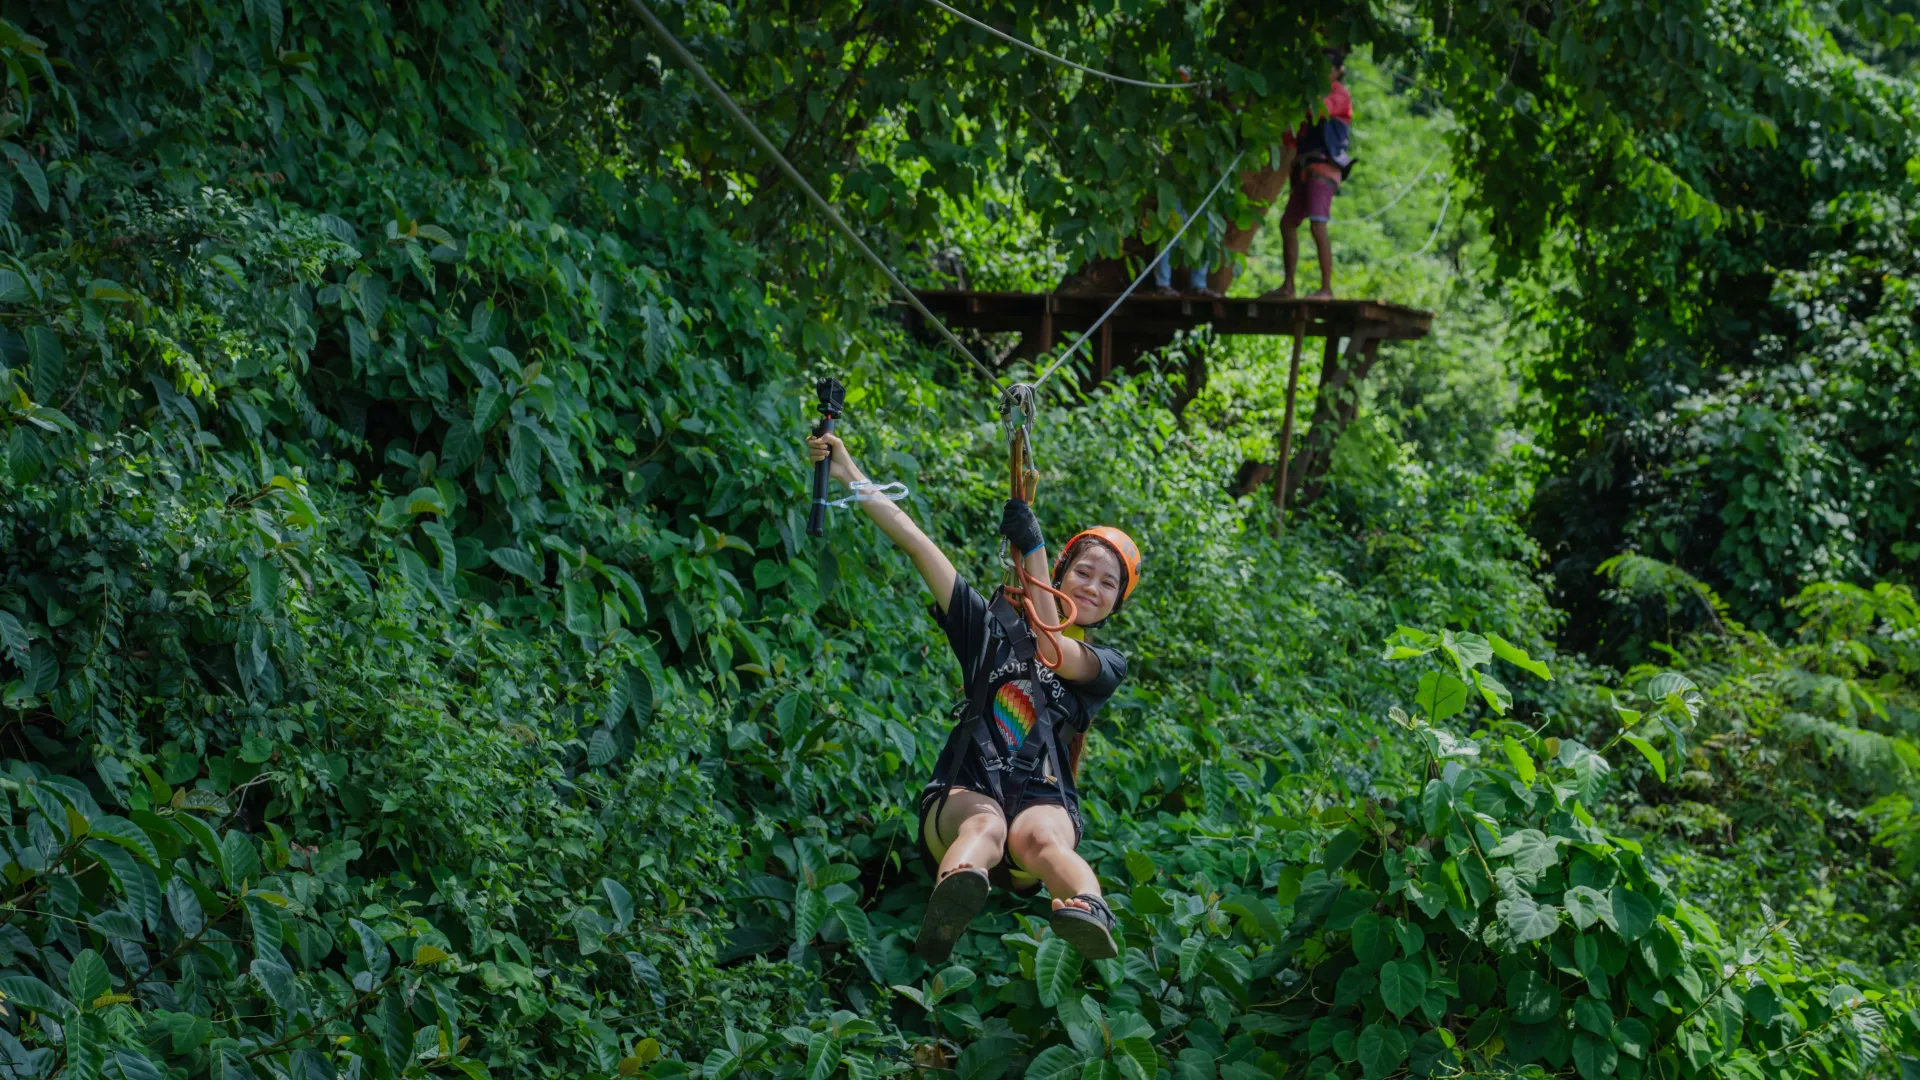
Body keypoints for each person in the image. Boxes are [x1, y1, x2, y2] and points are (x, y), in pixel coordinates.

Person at [804, 429, 1141, 962]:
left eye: (1107, 584)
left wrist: (1033, 549)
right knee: (986, 824)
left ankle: (1088, 907)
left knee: (1043, 839)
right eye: (1083, 572)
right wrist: (849, 473)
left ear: (1115, 605)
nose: (1091, 587)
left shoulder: (1104, 666)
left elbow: (1054, 651)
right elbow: (919, 544)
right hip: (968, 792)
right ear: (1061, 574)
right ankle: (957, 888)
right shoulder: (990, 629)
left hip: (1042, 798)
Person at [1275, 50, 1354, 300]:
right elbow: (1292, 135)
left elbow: (1320, 110)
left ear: (1338, 70)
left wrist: (1300, 97)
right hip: (1305, 169)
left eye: (1327, 67)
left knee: (1317, 224)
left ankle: (1326, 289)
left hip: (1323, 168)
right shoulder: (1312, 96)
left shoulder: (1337, 93)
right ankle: (1288, 286)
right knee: (1287, 223)